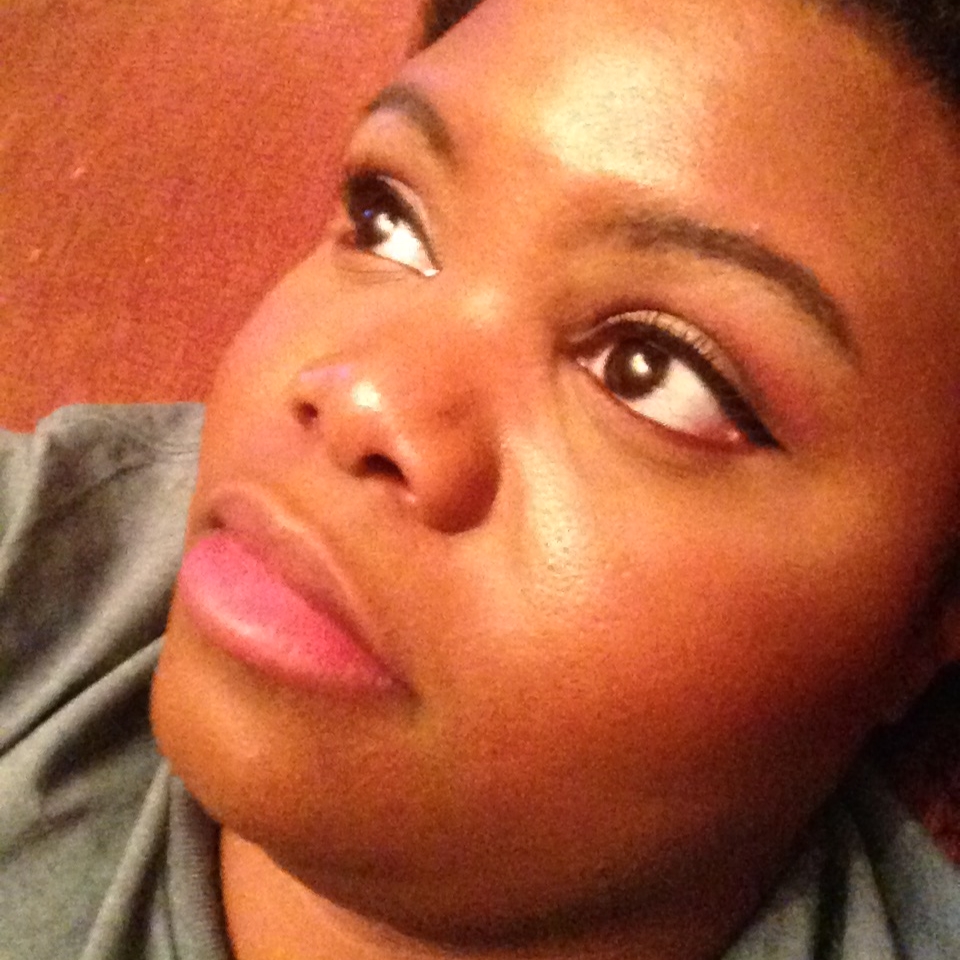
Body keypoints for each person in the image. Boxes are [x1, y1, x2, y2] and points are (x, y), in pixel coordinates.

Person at [2, 0, 960, 957]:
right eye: (386, 218)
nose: (361, 396)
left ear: (929, 619)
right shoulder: (39, 558)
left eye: (654, 371)